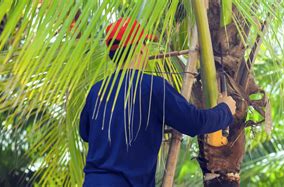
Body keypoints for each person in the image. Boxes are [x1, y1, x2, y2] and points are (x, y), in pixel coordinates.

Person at [79, 18, 236, 187]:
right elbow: (194, 123)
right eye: (146, 43)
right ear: (140, 48)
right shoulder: (153, 87)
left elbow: (85, 133)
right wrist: (225, 110)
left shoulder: (97, 90)